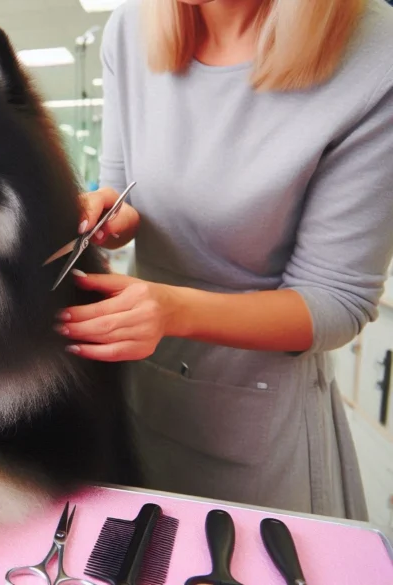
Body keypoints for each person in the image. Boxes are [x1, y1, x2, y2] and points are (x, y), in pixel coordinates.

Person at [57, 0, 393, 520]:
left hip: (260, 423)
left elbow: (336, 302)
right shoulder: (129, 29)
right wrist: (110, 215)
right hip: (143, 392)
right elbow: (123, 190)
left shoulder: (374, 52)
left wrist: (171, 311)